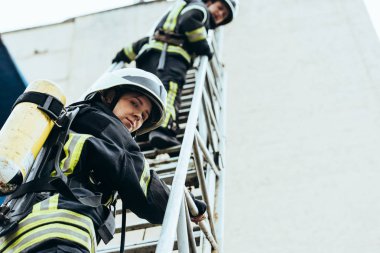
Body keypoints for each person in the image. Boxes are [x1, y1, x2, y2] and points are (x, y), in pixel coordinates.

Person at [0, 68, 206, 253]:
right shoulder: (104, 124)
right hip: (58, 232)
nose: (137, 117)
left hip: (14, 237)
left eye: (144, 116)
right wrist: (184, 205)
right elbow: (138, 178)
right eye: (134, 103)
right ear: (109, 96)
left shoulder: (67, 123)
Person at [112, 0, 238, 149]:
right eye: (220, 8)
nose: (220, 14)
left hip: (151, 57)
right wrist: (204, 48)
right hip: (171, 58)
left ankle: (143, 134)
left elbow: (146, 41)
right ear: (210, 2)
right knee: (169, 91)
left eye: (224, 15)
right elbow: (189, 20)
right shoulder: (200, 10)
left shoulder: (172, 17)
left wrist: (123, 54)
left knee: (147, 97)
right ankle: (163, 130)